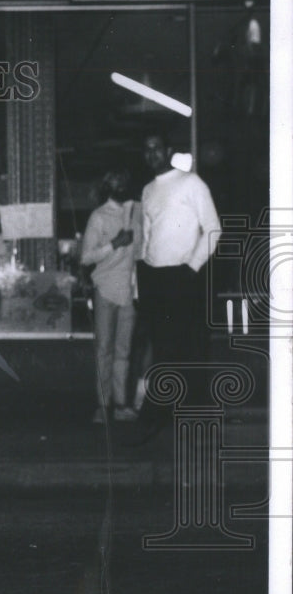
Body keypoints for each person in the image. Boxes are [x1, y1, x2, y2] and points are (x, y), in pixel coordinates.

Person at [134, 134, 221, 439]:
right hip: (155, 278)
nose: (152, 153)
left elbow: (213, 229)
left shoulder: (191, 183)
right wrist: (140, 278)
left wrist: (192, 266)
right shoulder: (147, 191)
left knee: (189, 350)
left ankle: (193, 424)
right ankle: (156, 419)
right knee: (161, 350)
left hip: (183, 277)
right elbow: (146, 238)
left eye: (157, 147)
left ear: (168, 151)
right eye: (147, 149)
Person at [81, 167, 144, 424]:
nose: (120, 187)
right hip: (105, 288)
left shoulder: (139, 212)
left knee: (124, 351)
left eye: (124, 182)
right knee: (104, 350)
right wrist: (114, 244)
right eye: (115, 182)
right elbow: (85, 257)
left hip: (129, 290)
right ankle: (103, 405)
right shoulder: (99, 216)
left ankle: (121, 405)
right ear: (108, 186)